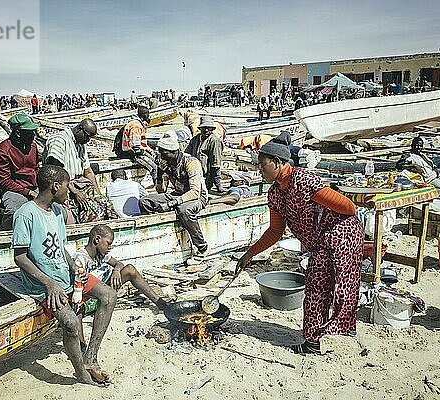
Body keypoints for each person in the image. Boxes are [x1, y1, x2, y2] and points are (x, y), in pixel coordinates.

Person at [235, 131, 364, 355]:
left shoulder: (303, 179)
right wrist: (250, 253)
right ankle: (314, 341)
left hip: (341, 234)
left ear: (277, 162)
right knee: (317, 288)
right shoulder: (275, 193)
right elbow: (275, 231)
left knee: (340, 287)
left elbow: (349, 208)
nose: (260, 170)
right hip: (320, 244)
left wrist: (323, 221)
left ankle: (336, 332)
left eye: (262, 165)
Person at [12, 165, 117, 385]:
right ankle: (81, 372)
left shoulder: (59, 212)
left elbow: (60, 248)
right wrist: (49, 283)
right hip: (41, 284)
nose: (69, 192)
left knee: (108, 295)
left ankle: (90, 358)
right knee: (69, 321)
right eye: (67, 187)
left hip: (65, 276)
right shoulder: (25, 214)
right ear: (55, 186)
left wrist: (74, 268)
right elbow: (20, 258)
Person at [139, 132, 210, 262]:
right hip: (177, 194)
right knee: (145, 202)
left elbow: (195, 192)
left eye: (164, 153)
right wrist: (159, 175)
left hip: (198, 197)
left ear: (173, 152)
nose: (161, 157)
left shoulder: (191, 162)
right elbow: (161, 191)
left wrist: (171, 204)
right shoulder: (166, 163)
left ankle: (202, 247)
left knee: (184, 210)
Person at [74, 224, 167, 312]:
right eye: (108, 243)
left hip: (103, 292)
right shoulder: (80, 258)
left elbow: (119, 263)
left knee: (130, 269)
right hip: (87, 299)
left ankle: (158, 301)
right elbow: (77, 287)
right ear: (97, 239)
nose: (109, 247)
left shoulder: (101, 255)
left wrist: (116, 270)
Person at [43, 118, 116, 223]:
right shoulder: (60, 140)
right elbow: (56, 173)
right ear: (79, 129)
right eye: (87, 136)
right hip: (63, 187)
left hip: (80, 185)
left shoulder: (80, 145)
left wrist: (98, 194)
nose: (88, 140)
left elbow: (88, 172)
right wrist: (75, 191)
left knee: (107, 207)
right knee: (92, 213)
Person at [0, 113, 40, 230]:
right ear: (18, 133)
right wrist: (29, 193)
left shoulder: (33, 147)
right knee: (14, 212)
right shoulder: (2, 152)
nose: (33, 135)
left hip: (34, 187)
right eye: (29, 133)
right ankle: (6, 236)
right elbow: (5, 182)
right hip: (14, 190)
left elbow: (36, 169)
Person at [113, 105, 158, 183]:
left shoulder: (136, 123)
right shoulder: (136, 126)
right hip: (129, 153)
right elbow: (136, 148)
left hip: (133, 151)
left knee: (155, 160)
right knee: (154, 167)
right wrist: (146, 154)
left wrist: (151, 152)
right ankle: (157, 185)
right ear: (145, 116)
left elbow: (142, 144)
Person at [186, 116, 224, 192]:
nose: (206, 130)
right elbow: (187, 154)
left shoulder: (214, 141)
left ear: (212, 129)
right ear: (200, 129)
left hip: (207, 175)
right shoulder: (195, 139)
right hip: (194, 172)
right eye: (204, 128)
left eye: (208, 128)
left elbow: (215, 164)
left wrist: (218, 184)